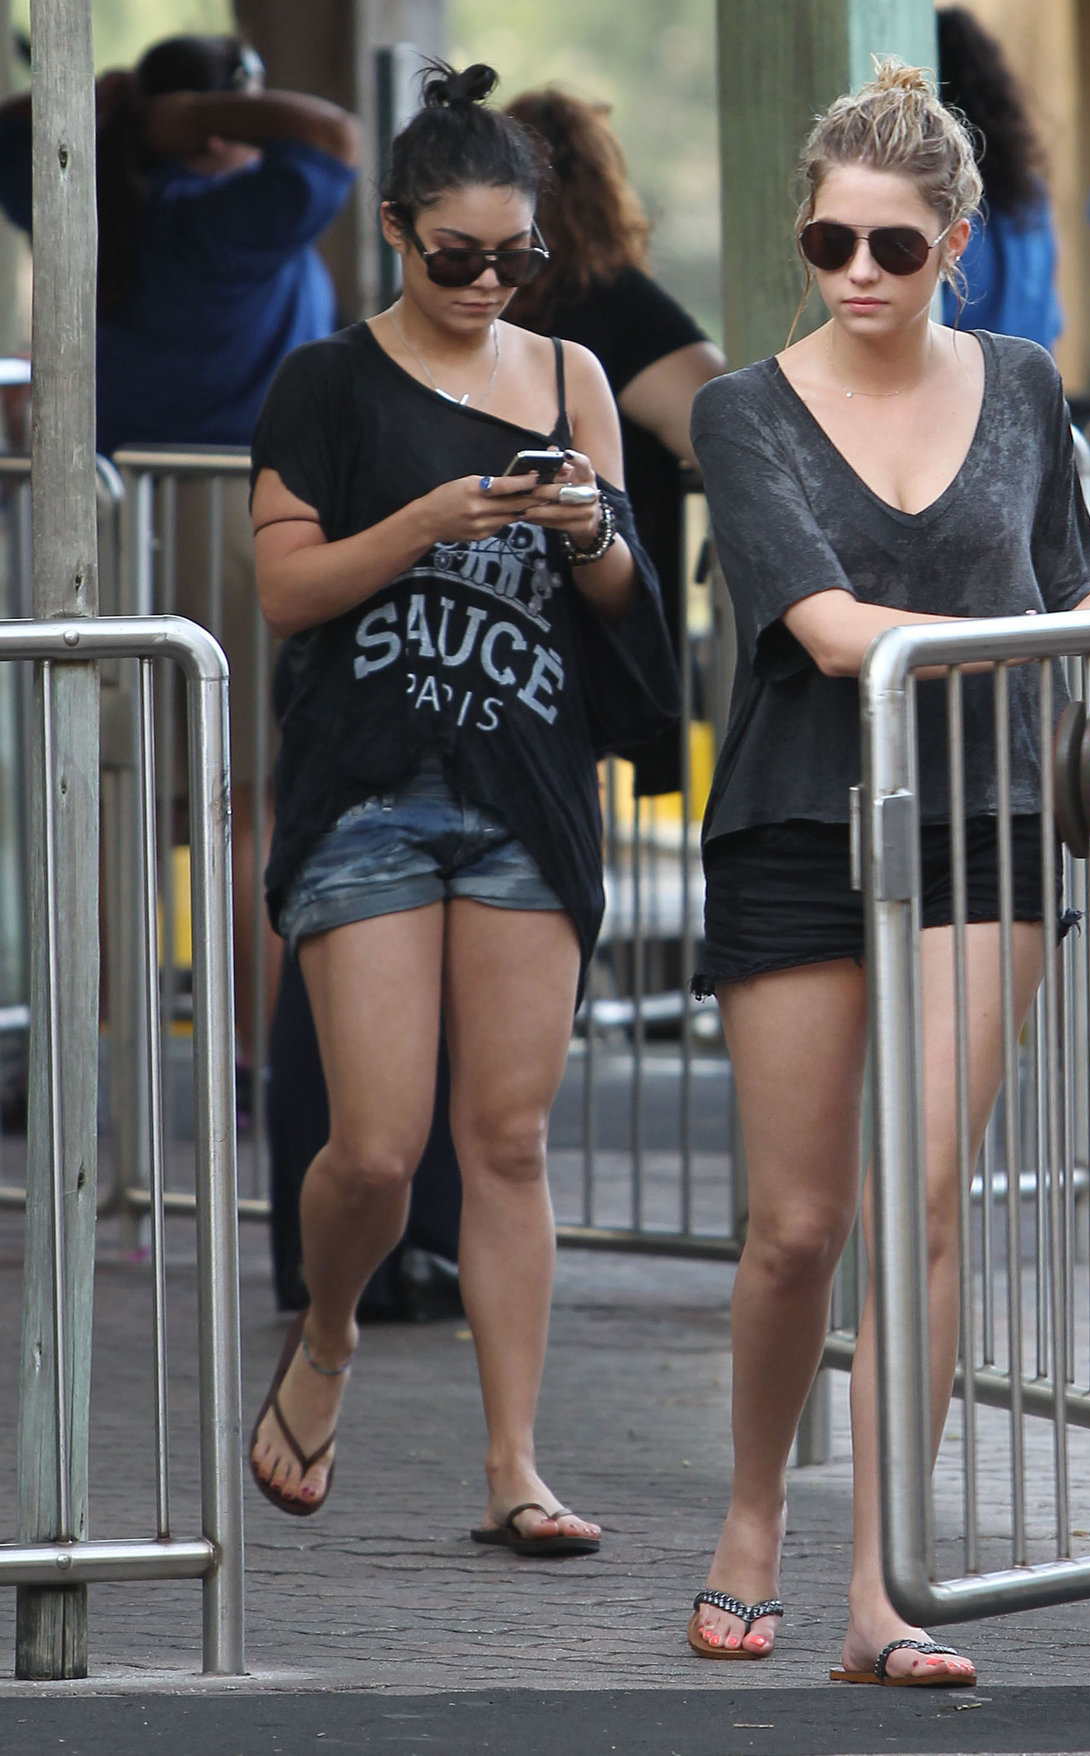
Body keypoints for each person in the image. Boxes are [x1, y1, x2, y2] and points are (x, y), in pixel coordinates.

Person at [685, 56, 1090, 1687]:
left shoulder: (1024, 384)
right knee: (796, 1227)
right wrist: (1043, 627)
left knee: (920, 1209)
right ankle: (750, 1515)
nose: (858, 274)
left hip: (982, 820)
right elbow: (829, 634)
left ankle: (882, 1588)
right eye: (829, 244)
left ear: (953, 244)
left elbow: (1075, 588)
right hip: (797, 827)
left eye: (893, 247)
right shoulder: (743, 411)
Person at [245, 61, 676, 1543]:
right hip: (366, 781)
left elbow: (619, 597)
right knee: (375, 1148)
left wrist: (590, 527)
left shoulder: (569, 379)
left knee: (506, 1139)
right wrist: (427, 520)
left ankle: (515, 1468)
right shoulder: (324, 382)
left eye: (516, 257)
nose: (488, 283)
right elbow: (286, 591)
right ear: (394, 232)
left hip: (525, 785)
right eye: (456, 257)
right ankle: (329, 1332)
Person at [0, 34, 359, 1069]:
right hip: (230, 524)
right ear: (216, 120)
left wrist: (117, 109)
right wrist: (181, 119)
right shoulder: (235, 214)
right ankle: (251, 1065)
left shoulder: (91, 204)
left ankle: (105, 1079)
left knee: (112, 799)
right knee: (244, 805)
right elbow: (331, 133)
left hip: (104, 523)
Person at [502, 86, 726, 795]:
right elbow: (721, 427)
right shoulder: (615, 303)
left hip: (496, 612)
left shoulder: (488, 306)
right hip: (586, 617)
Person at [935, 6, 1063, 351]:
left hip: (961, 377)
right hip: (1033, 377)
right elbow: (1049, 321)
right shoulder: (1029, 194)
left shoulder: (939, 201)